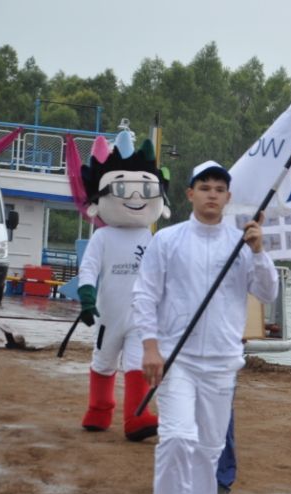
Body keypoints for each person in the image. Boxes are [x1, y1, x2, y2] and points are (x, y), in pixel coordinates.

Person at [134, 160, 278, 494]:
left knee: (210, 448)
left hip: (222, 361)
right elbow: (146, 294)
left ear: (229, 197)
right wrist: (149, 346)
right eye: (205, 187)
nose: (212, 193)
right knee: (178, 438)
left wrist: (260, 251)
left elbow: (267, 293)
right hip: (176, 358)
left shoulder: (243, 244)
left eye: (219, 188)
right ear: (190, 194)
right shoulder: (168, 240)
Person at [77, 131, 169, 441]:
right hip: (108, 316)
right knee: (103, 363)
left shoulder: (149, 238)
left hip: (140, 317)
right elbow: (89, 267)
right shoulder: (102, 237)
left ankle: (136, 418)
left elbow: (161, 275)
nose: (135, 197)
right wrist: (87, 296)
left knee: (136, 364)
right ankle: (99, 411)